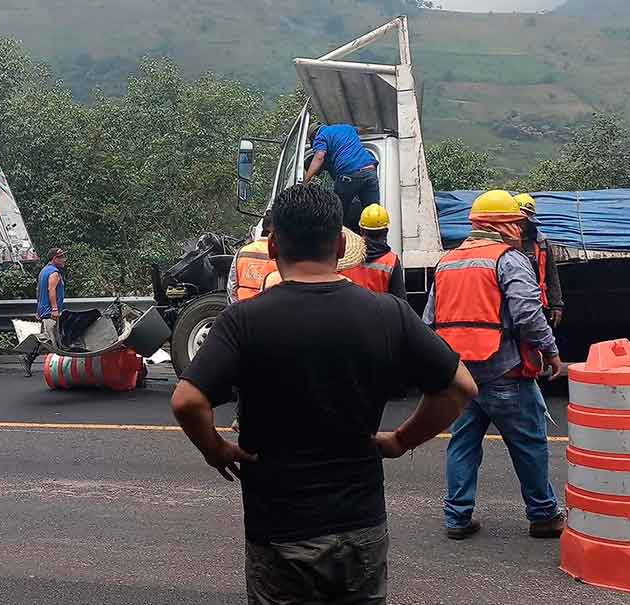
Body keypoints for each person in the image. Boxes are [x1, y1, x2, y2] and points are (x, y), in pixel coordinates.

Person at [171, 183, 477, 604]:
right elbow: (460, 387)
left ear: (274, 244)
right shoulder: (388, 313)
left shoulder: (242, 321)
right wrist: (401, 440)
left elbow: (187, 401)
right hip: (360, 528)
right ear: (338, 243)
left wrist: (215, 449)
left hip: (279, 530)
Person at [422, 189, 566, 541]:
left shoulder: (448, 261)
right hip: (505, 372)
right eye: (517, 222)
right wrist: (550, 350)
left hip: (460, 375)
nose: (521, 229)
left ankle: (457, 517)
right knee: (529, 443)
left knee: (462, 444)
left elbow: (428, 321)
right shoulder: (509, 259)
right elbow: (528, 314)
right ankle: (543, 515)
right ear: (504, 225)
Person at [303, 123, 379, 232]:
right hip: (370, 172)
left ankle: (341, 241)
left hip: (349, 175)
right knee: (374, 215)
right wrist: (373, 129)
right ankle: (376, 243)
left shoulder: (321, 137)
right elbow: (360, 129)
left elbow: (319, 157)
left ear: (314, 135)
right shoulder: (345, 128)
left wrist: (306, 181)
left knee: (336, 215)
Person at [514, 194, 564, 327]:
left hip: (536, 302)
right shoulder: (501, 241)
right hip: (509, 303)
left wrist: (556, 305)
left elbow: (551, 274)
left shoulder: (541, 242)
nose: (521, 224)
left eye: (525, 220)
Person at [340, 204, 407, 301]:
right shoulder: (391, 262)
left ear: (361, 231)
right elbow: (400, 302)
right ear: (385, 232)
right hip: (379, 314)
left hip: (350, 313)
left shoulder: (345, 257)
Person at [24, 248, 67, 377]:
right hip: (50, 312)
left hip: (44, 310)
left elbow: (38, 291)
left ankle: (29, 357)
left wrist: (38, 309)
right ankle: (57, 373)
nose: (64, 260)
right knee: (54, 343)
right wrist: (54, 309)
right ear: (54, 259)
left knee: (46, 339)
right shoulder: (54, 273)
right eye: (61, 257)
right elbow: (51, 290)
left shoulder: (43, 271)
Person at [227, 212, 275, 304]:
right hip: (268, 311)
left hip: (242, 310)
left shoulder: (242, 252)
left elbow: (232, 287)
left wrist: (236, 310)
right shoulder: (281, 254)